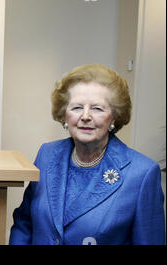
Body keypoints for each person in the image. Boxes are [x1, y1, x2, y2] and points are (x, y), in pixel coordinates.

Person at [9, 64, 165, 245]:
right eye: (76, 108)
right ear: (64, 115)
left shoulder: (142, 174)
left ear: (114, 118)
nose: (85, 116)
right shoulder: (47, 154)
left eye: (97, 108)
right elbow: (24, 223)